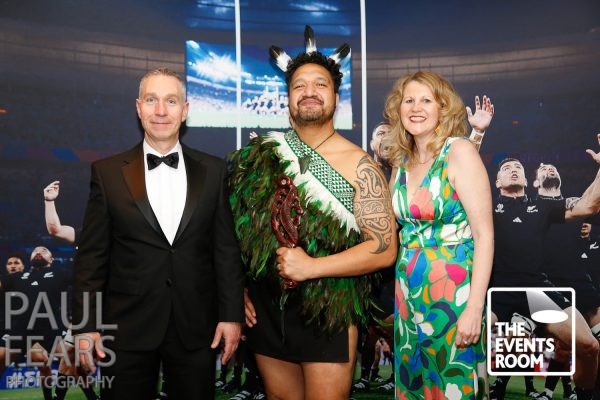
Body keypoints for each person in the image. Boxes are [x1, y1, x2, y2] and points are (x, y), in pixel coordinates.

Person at [228, 26, 397, 400]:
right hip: (266, 309)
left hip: (330, 308)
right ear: (288, 97)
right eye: (299, 85)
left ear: (336, 96)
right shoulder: (260, 156)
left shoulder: (361, 166)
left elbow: (384, 249)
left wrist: (312, 267)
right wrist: (236, 290)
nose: (309, 92)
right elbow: (234, 235)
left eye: (320, 84)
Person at [72, 67, 245, 400]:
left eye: (171, 101)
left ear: (185, 110)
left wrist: (231, 316)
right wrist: (86, 325)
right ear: (139, 108)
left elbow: (225, 250)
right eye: (151, 100)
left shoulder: (214, 170)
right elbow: (92, 258)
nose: (161, 111)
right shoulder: (107, 173)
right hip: (126, 329)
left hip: (197, 328)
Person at [384, 70, 494, 399]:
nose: (416, 108)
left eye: (426, 100)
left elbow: (484, 236)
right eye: (409, 100)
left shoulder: (459, 151)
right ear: (398, 108)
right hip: (407, 294)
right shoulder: (400, 161)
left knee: (453, 385)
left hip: (454, 296)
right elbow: (389, 225)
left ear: (443, 108)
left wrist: (474, 309)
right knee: (413, 386)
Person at [488, 143, 600, 400]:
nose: (513, 170)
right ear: (497, 182)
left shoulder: (541, 207)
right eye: (507, 168)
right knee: (470, 342)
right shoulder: (488, 206)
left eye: (518, 167)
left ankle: (585, 395)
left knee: (589, 346)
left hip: (538, 290)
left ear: (528, 180)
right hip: (498, 290)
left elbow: (588, 207)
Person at [0, 246, 71, 400]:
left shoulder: (26, 280)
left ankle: (52, 397)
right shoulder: (10, 282)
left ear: (23, 266)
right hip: (10, 329)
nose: (13, 266)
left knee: (44, 361)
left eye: (16, 263)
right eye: (10, 263)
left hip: (27, 329)